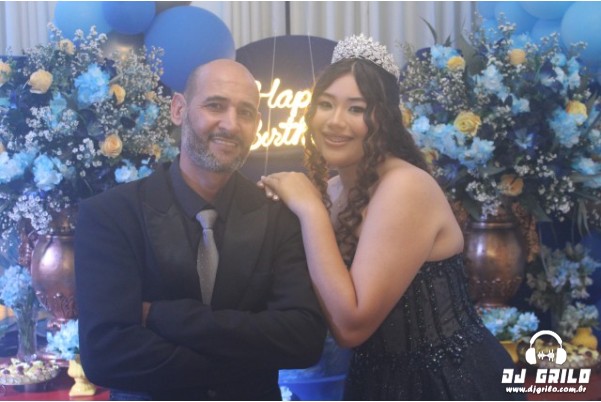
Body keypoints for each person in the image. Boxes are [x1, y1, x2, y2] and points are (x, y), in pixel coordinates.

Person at [259, 35, 522, 400]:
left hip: (446, 382)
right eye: (325, 104)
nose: (335, 121)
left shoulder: (405, 187)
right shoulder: (334, 191)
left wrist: (309, 209)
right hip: (373, 382)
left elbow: (351, 327)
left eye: (356, 109)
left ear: (383, 119)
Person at [74, 59, 326, 400]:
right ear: (179, 109)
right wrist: (250, 359)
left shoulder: (277, 215)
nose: (231, 124)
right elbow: (106, 356)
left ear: (257, 124)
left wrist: (162, 316)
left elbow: (303, 340)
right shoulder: (111, 215)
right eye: (215, 106)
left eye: (245, 112)